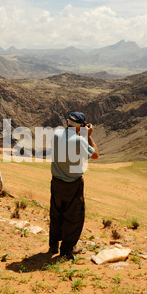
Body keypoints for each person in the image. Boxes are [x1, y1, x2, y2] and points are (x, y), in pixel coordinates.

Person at [49, 111, 99, 259]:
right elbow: (95, 154)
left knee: (56, 213)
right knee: (74, 217)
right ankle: (67, 250)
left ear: (66, 122)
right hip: (73, 184)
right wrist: (87, 135)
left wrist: (80, 133)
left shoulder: (56, 134)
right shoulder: (80, 141)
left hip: (56, 181)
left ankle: (53, 245)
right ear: (81, 127)